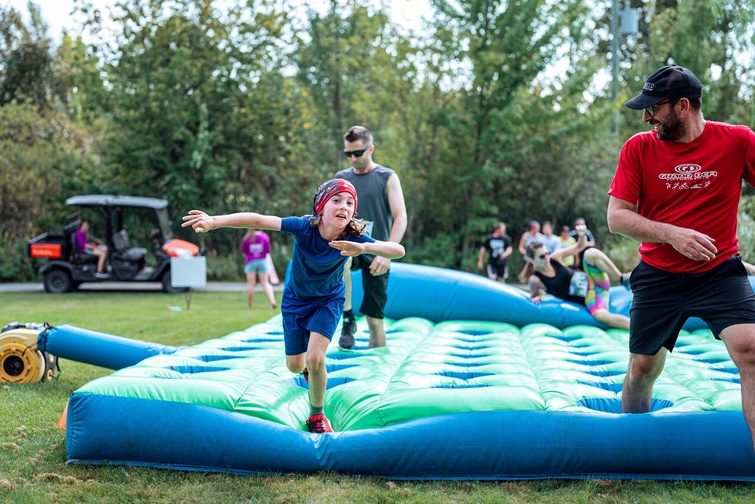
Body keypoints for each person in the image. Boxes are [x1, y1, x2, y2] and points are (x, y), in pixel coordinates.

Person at [606, 64, 755, 449]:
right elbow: (616, 217)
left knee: (750, 348)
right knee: (642, 369)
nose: (646, 117)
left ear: (683, 106)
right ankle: (632, 454)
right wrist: (672, 234)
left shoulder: (738, 141)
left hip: (719, 270)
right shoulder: (638, 147)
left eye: (654, 108)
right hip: (658, 273)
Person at [182, 179, 405, 434]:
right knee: (295, 366)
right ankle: (310, 373)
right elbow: (258, 220)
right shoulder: (303, 227)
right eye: (336, 200)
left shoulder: (352, 237)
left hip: (328, 300)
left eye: (350, 202)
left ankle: (316, 416)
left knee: (315, 358)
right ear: (321, 206)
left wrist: (364, 247)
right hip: (295, 300)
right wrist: (214, 221)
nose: (344, 206)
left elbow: (398, 250)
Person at [335, 125, 407, 350]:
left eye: (358, 153)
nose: (353, 159)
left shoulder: (387, 177)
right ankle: (348, 319)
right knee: (343, 259)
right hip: (350, 243)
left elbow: (400, 216)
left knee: (375, 321)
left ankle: (377, 372)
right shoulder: (341, 178)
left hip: (377, 249)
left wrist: (388, 254)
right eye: (348, 154)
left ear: (371, 149)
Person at [519, 224, 631, 330]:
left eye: (547, 253)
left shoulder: (555, 257)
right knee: (601, 315)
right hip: (590, 297)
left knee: (590, 253)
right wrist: (536, 297)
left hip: (595, 280)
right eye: (542, 256)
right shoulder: (535, 279)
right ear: (532, 260)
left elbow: (580, 246)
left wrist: (582, 235)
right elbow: (534, 296)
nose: (547, 258)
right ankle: (637, 328)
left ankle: (622, 279)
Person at [240, 229, 277, 309]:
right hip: (262, 261)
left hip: (250, 262)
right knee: (265, 283)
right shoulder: (264, 236)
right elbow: (267, 251)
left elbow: (244, 253)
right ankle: (272, 301)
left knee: (251, 284)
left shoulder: (247, 238)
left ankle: (250, 305)